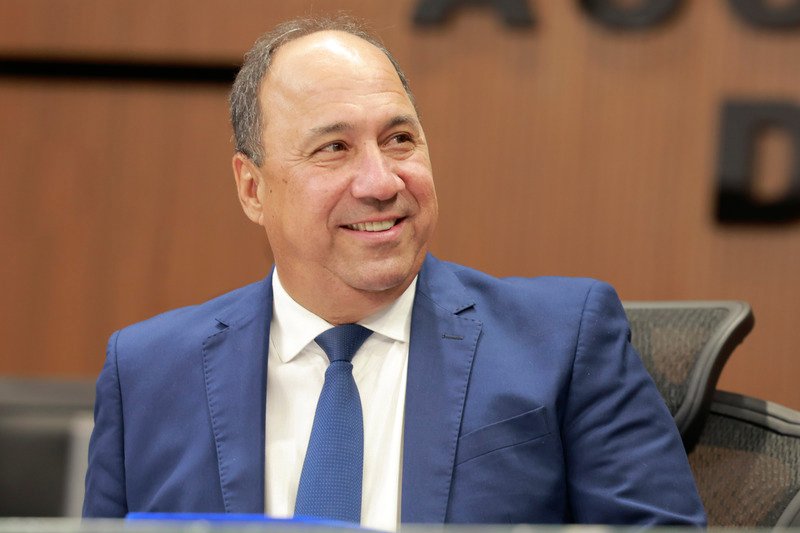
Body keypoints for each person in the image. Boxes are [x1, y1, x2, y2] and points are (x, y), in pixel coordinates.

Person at [82, 16, 706, 529]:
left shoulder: (562, 341)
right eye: (334, 148)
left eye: (400, 139)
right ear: (252, 188)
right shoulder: (146, 374)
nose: (381, 182)